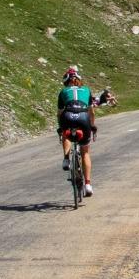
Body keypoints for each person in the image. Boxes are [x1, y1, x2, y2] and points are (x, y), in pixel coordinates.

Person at [57, 66, 97, 196]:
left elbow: (59, 113)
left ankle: (66, 159)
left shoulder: (63, 92)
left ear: (66, 81)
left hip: (68, 115)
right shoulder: (86, 90)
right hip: (83, 117)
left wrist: (60, 127)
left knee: (66, 134)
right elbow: (92, 112)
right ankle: (88, 184)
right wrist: (92, 125)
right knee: (85, 152)